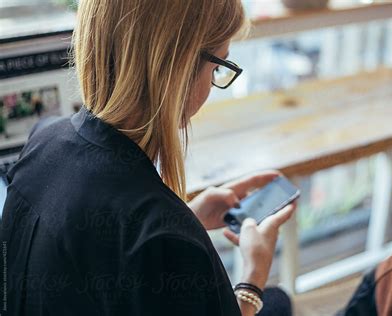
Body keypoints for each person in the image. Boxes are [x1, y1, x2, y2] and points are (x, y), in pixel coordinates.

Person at [1, 1, 297, 315]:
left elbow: (98, 259)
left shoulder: (43, 141)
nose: (213, 84)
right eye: (217, 67)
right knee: (277, 301)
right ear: (177, 68)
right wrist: (252, 279)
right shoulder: (168, 241)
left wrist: (187, 217)